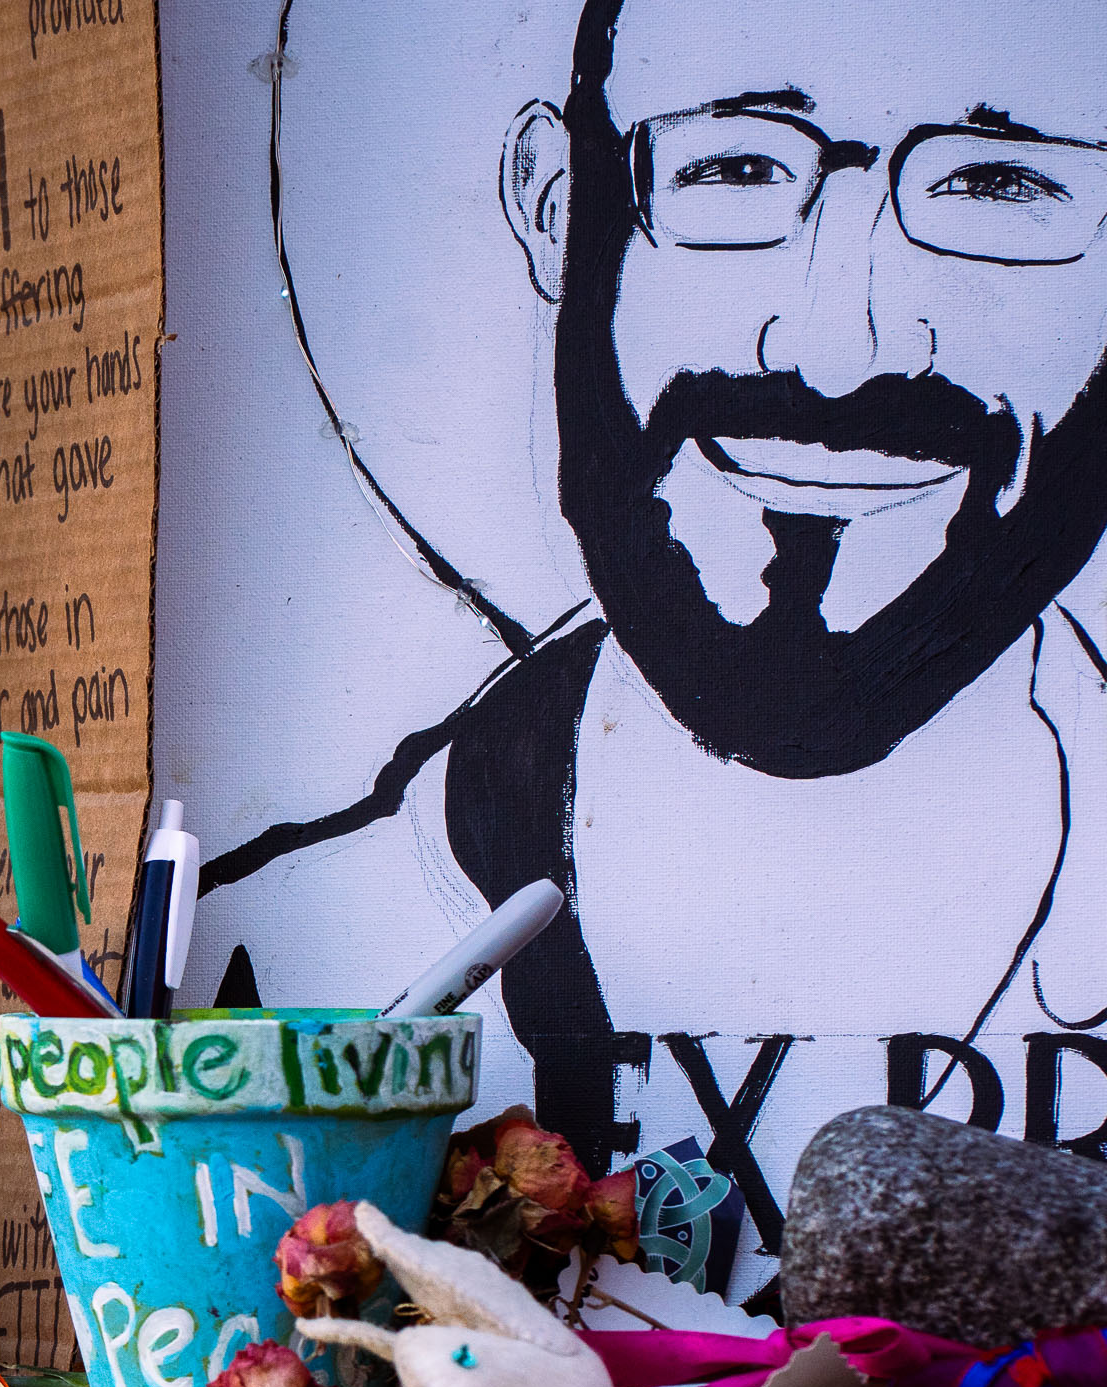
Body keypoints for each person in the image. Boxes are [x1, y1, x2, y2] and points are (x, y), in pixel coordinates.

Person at [198, 0, 1107, 1298]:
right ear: (556, 204)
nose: (839, 348)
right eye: (735, 169)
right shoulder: (262, 958)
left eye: (999, 184)